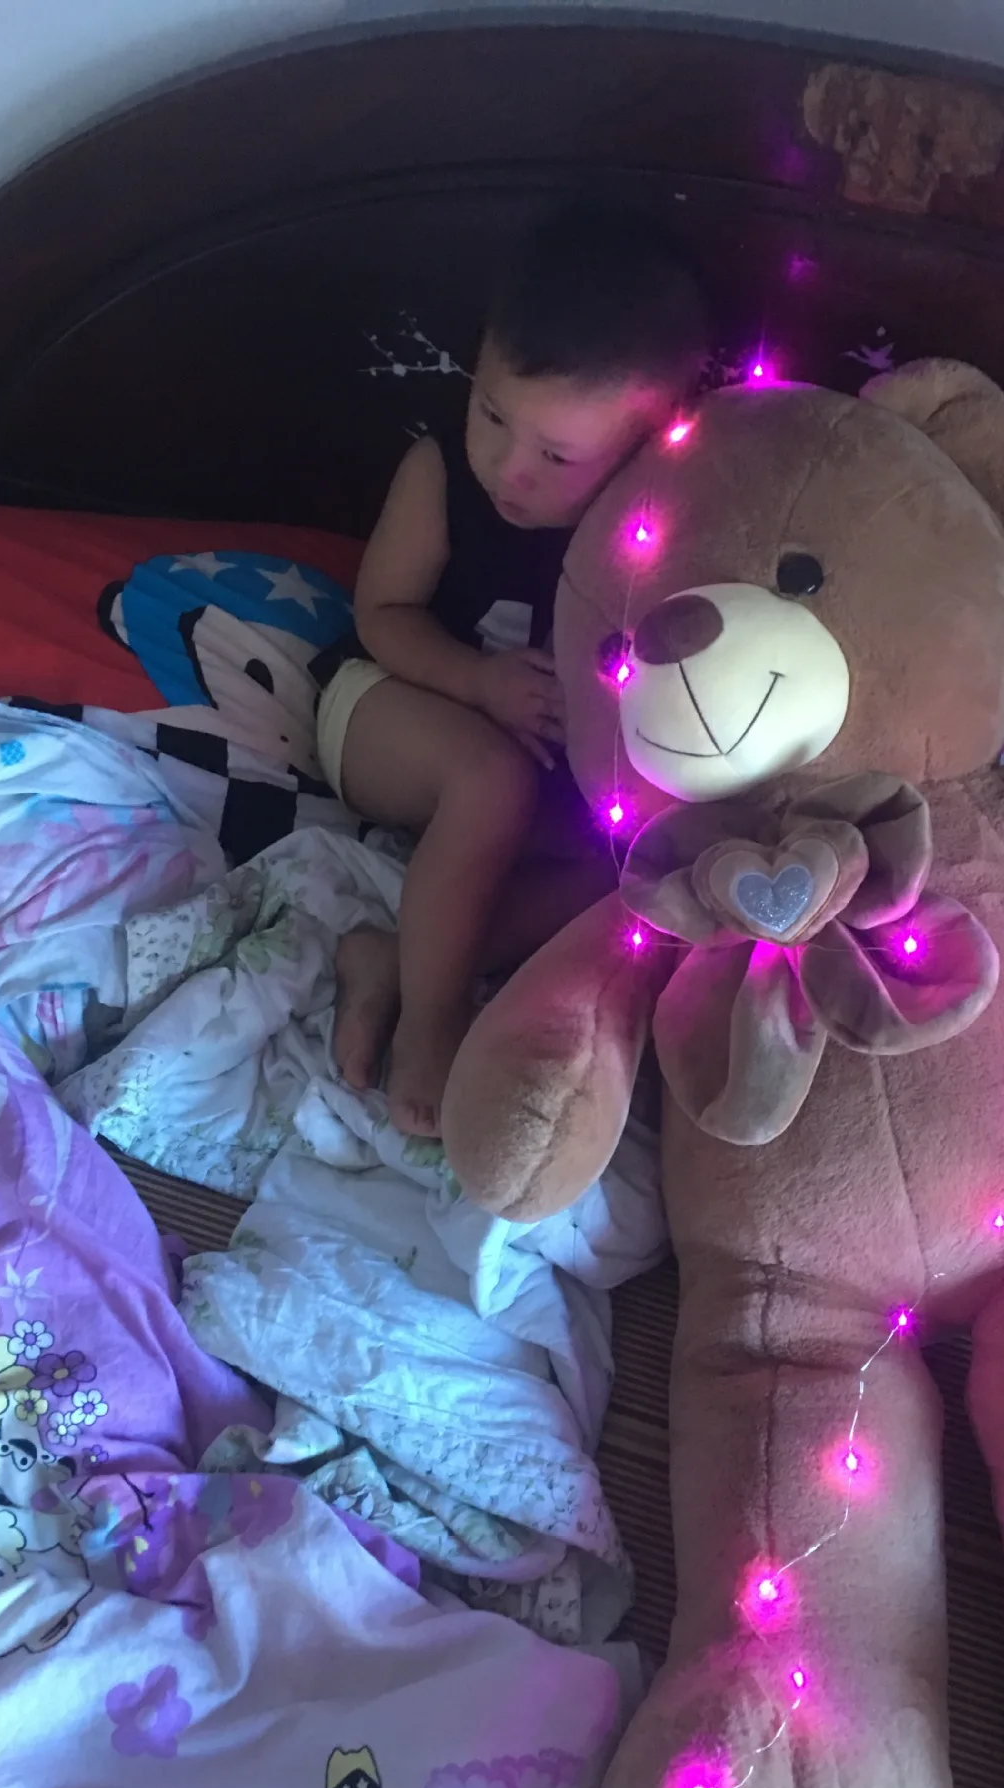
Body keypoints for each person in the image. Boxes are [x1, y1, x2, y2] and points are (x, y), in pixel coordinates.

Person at [315, 204, 712, 1135]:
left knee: (627, 873)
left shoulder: (649, 530)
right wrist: (477, 683)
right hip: (388, 707)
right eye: (491, 413)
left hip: (533, 774)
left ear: (647, 446)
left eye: (556, 455)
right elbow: (381, 615)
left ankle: (391, 961)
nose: (507, 468)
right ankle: (434, 1023)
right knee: (488, 780)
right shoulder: (442, 473)